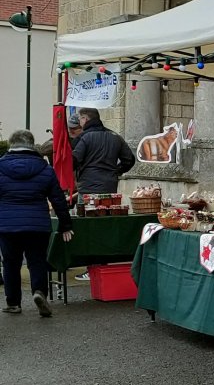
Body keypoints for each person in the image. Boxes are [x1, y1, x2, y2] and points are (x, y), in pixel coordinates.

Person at [0, 130, 73, 317]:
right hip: (38, 224)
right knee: (37, 261)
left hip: (7, 225)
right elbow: (58, 200)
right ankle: (39, 292)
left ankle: (13, 303)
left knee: (10, 263)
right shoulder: (45, 169)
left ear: (11, 145)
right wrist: (65, 225)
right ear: (32, 145)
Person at [71, 107, 136, 280]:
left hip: (88, 189)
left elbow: (74, 160)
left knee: (88, 228)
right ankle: (103, 266)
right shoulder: (115, 136)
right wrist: (116, 171)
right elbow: (130, 159)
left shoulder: (84, 138)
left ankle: (91, 268)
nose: (79, 122)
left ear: (85, 119)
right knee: (104, 226)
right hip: (110, 187)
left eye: (80, 119)